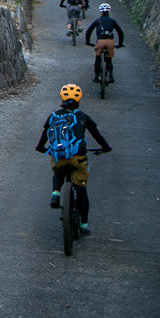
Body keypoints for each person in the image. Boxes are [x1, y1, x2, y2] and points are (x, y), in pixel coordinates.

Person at [35, 83, 112, 234]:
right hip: (78, 159)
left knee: (58, 170)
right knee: (82, 190)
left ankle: (56, 193)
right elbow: (97, 136)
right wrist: (106, 148)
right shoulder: (83, 117)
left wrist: (40, 148)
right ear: (79, 101)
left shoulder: (54, 115)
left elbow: (44, 136)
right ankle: (84, 224)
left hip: (60, 157)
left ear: (62, 100)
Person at [84, 3, 125, 83]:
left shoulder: (97, 20)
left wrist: (88, 42)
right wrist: (120, 43)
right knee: (109, 60)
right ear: (109, 12)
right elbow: (120, 32)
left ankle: (96, 77)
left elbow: (88, 31)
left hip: (100, 42)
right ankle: (111, 76)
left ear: (100, 12)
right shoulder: (112, 21)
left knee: (98, 58)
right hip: (110, 42)